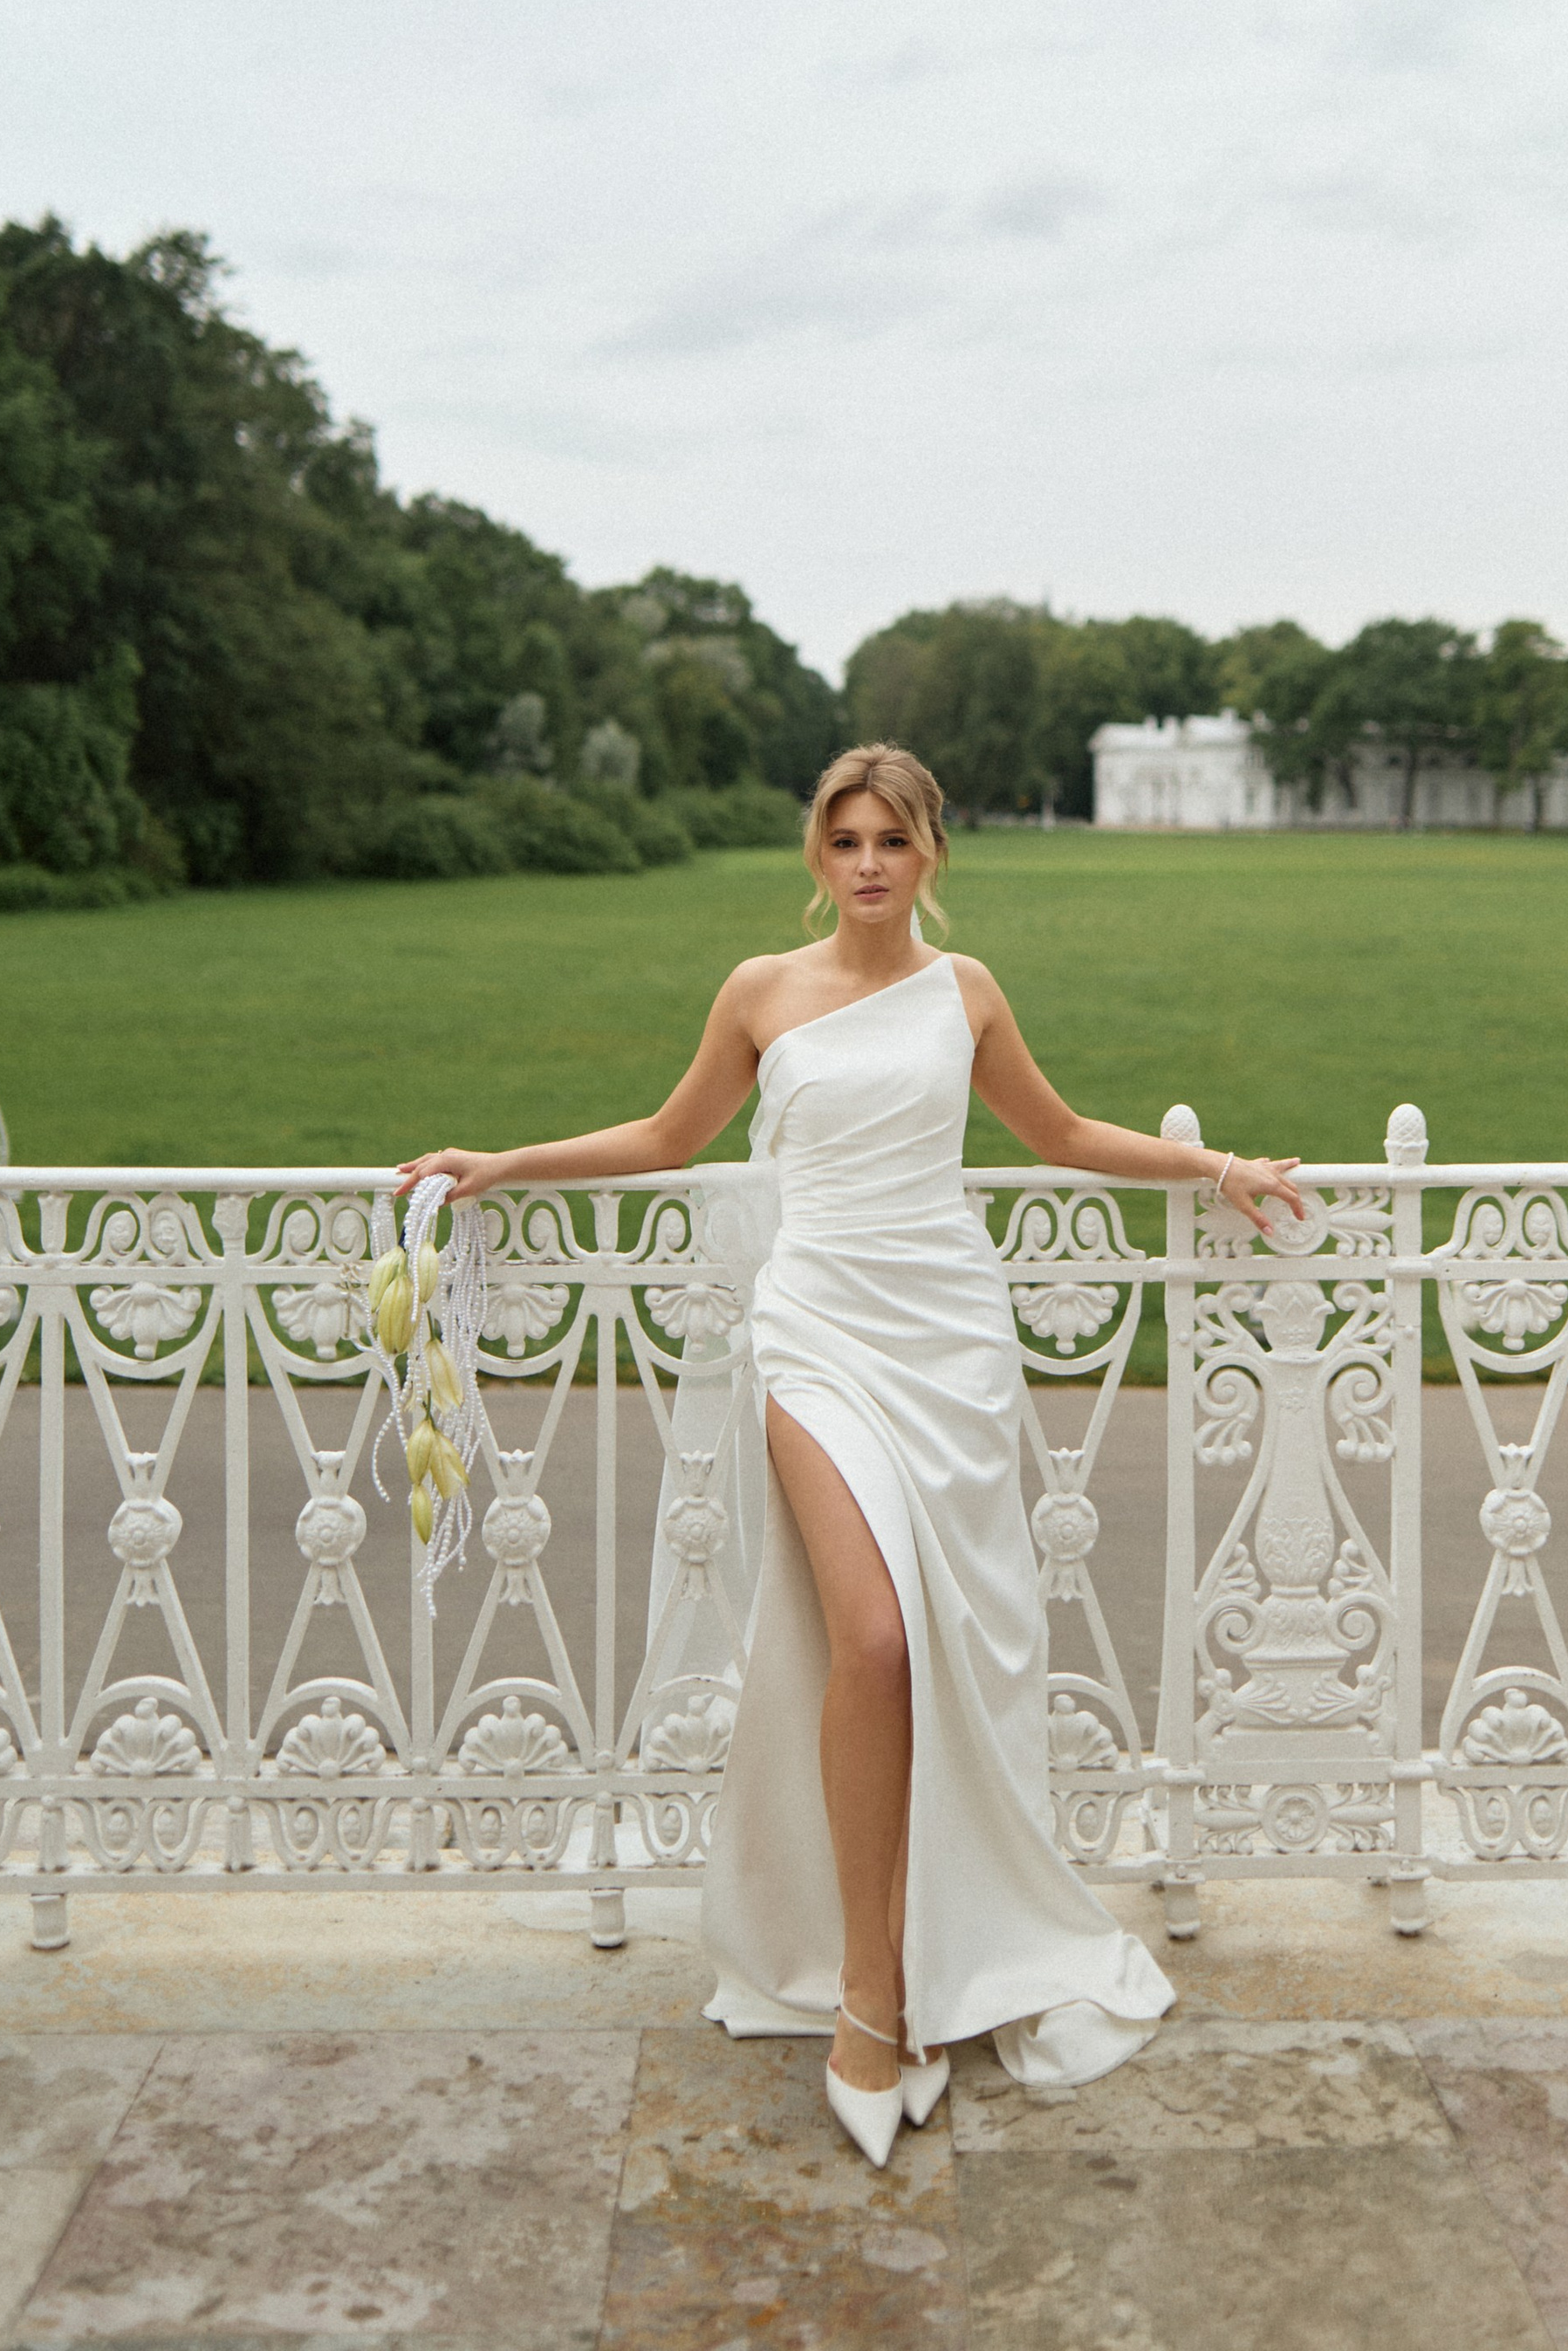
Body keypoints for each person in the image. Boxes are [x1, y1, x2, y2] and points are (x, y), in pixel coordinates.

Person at [399, 741, 1305, 2163]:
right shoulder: (761, 991)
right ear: (817, 857)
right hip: (816, 1329)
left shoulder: (967, 991)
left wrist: (1217, 1165)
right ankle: (872, 1994)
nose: (869, 864)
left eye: (891, 839)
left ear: (929, 851)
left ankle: (924, 1967)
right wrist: (504, 1164)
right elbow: (670, 1134)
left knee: (945, 1650)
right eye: (845, 841)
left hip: (947, 1339)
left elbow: (1060, 1131)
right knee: (870, 1643)